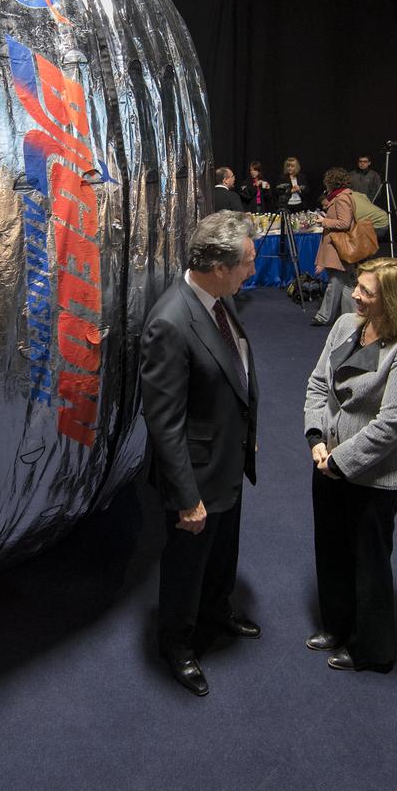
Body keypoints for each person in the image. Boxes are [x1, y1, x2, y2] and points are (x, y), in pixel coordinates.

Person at [140, 211, 260, 698]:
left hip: (226, 461)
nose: (252, 271)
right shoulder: (170, 322)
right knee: (188, 565)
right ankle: (178, 644)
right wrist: (186, 498)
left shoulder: (216, 299)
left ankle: (217, 610)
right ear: (217, 265)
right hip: (195, 476)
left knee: (223, 552)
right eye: (246, 264)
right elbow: (164, 423)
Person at [304, 257, 397, 673]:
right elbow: (318, 385)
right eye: (357, 286)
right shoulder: (345, 325)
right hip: (327, 462)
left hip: (370, 475)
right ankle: (337, 625)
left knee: (369, 562)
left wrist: (340, 461)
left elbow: (392, 423)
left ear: (392, 300)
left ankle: (372, 648)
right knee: (331, 549)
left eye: (366, 291)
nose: (355, 294)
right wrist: (316, 439)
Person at [311, 167, 358, 326]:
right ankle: (349, 318)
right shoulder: (342, 196)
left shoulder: (341, 198)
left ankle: (325, 317)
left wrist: (324, 222)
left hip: (339, 246)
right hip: (339, 245)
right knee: (344, 283)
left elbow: (344, 222)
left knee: (336, 281)